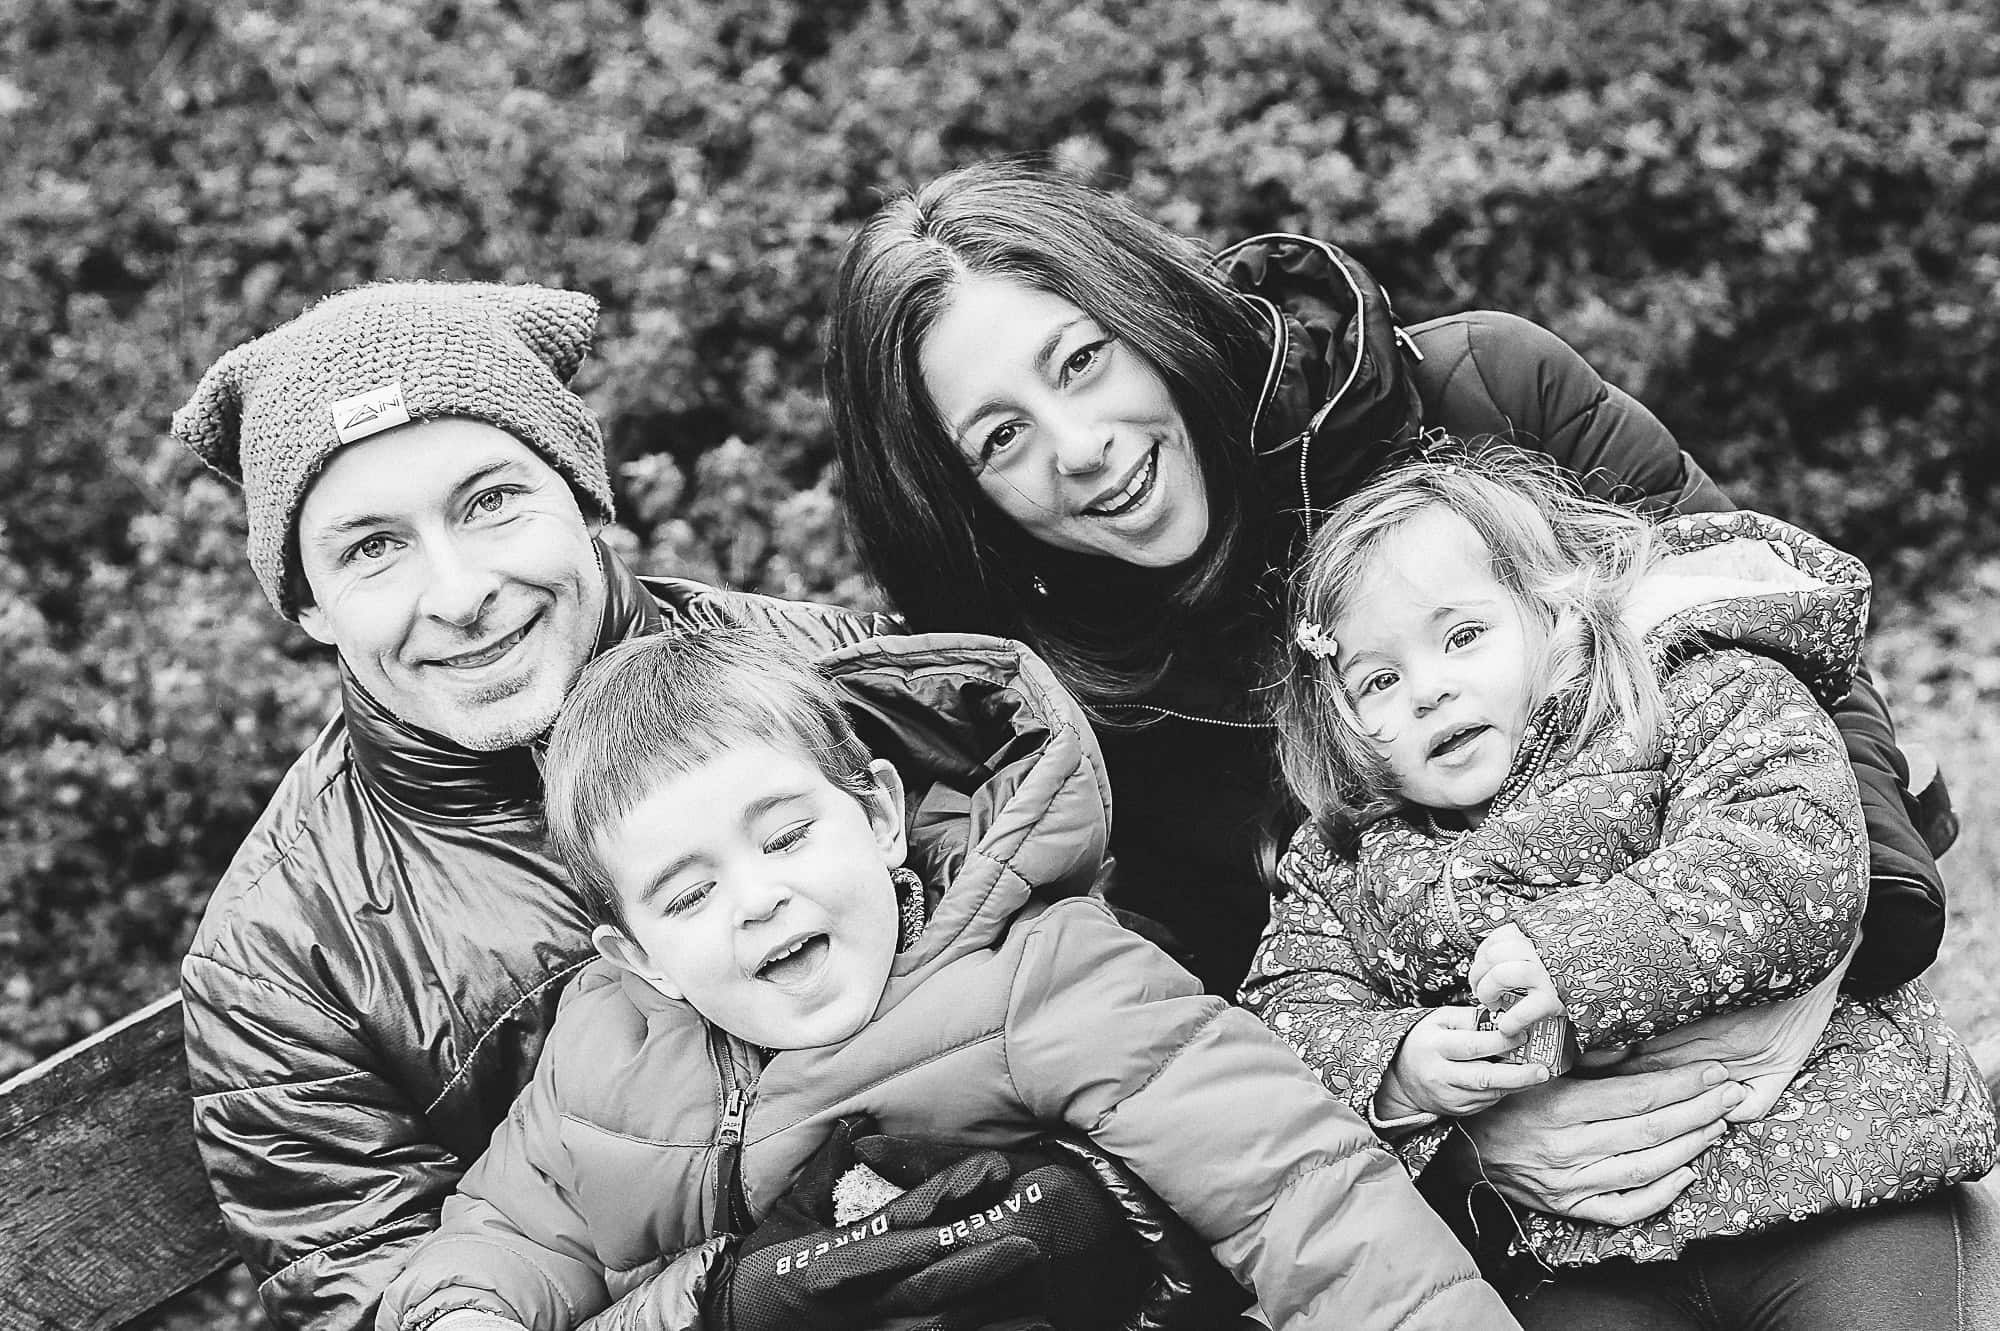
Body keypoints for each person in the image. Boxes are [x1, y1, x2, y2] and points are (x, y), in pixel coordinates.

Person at [822, 158, 1950, 1222]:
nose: (1077, 447)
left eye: (1080, 360)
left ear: (1143, 308)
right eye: (999, 437)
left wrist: (1833, 952)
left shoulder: (1486, 394)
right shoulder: (1048, 723)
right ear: (955, 494)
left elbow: (1775, 638)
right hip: (1495, 1216)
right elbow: (1196, 1040)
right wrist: (1448, 1140)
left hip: (1811, 1086)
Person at [170, 282, 1117, 1331]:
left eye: (490, 501)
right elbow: (382, 1294)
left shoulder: (839, 681)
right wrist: (724, 1300)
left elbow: (1105, 962)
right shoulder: (277, 956)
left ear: (582, 496)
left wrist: (1094, 1186)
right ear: (305, 602)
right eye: (372, 547)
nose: (458, 590)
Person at [377, 625, 1520, 1331]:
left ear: (876, 813)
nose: (758, 898)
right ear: (637, 957)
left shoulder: (1041, 973)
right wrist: (468, 1304)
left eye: (784, 836)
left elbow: (1297, 1188)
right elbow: (514, 1227)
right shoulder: (604, 1057)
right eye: (686, 894)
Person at [1240, 447, 1995, 1326]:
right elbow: (1285, 1011)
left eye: (1462, 636)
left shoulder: (1681, 693)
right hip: (1589, 1247)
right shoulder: (1349, 860)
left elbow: (1789, 855)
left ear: (1553, 611)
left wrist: (1576, 959)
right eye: (1379, 679)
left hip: (1835, 1172)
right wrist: (1398, 1067)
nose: (1429, 690)